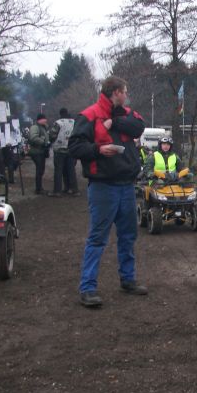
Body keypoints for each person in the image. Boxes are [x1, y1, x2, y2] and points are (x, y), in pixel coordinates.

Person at [68, 75, 147, 308]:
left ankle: (128, 279)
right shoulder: (88, 115)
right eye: (125, 91)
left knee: (128, 235)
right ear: (116, 92)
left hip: (126, 185)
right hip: (103, 186)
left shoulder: (126, 114)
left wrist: (114, 122)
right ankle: (88, 288)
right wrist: (98, 150)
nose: (127, 95)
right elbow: (74, 147)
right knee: (97, 238)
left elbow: (139, 127)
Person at [48, 108, 79, 196]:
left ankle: (57, 191)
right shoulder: (74, 122)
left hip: (59, 149)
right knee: (71, 170)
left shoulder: (58, 122)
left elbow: (52, 135)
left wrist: (52, 141)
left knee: (58, 170)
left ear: (60, 114)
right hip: (71, 149)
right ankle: (74, 190)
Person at [27, 113, 51, 195]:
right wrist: (44, 143)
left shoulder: (43, 127)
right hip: (36, 151)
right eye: (44, 119)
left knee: (41, 170)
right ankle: (38, 189)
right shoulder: (35, 127)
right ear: (40, 120)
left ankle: (39, 188)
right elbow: (33, 138)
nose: (46, 120)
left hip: (41, 151)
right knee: (39, 169)